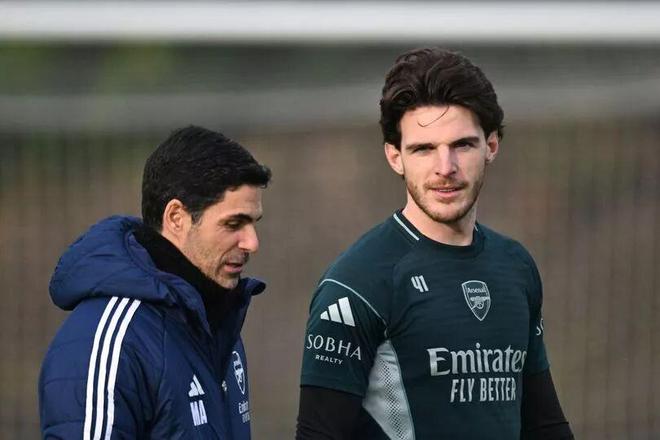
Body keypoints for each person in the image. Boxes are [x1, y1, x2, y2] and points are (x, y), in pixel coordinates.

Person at [296, 48, 573, 439]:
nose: (446, 168)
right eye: (423, 149)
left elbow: (545, 425)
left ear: (491, 146)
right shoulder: (357, 283)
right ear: (395, 157)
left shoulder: (515, 266)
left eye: (462, 145)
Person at [39, 125, 271, 439]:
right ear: (176, 218)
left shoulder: (218, 322)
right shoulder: (113, 342)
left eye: (253, 223)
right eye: (233, 224)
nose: (252, 242)